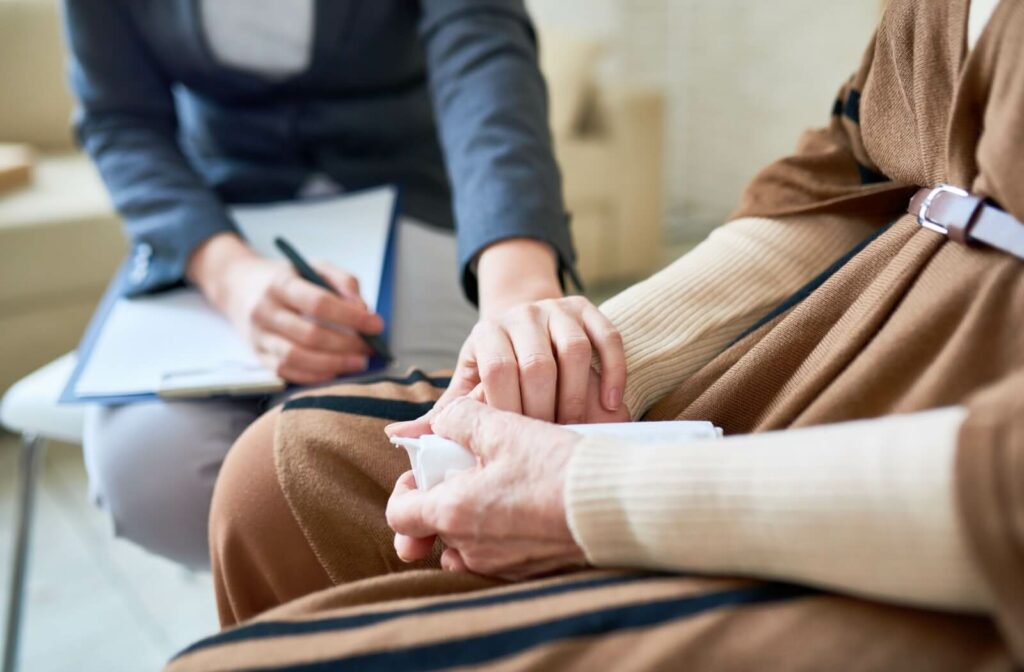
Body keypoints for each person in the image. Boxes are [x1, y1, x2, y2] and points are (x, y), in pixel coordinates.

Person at [174, 0, 1024, 668]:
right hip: (841, 338)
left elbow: (480, 54)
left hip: (978, 506)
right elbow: (849, 168)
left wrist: (597, 494)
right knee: (277, 476)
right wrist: (587, 357)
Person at [63, 0, 626, 568]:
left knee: (417, 462)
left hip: (416, 193)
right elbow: (118, 118)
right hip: (220, 220)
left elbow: (482, 53)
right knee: (151, 481)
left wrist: (517, 281)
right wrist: (228, 274)